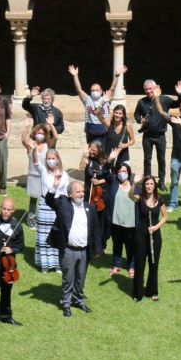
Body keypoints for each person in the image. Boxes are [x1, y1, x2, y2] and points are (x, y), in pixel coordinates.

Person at [44, 178, 98, 317]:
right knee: (68, 278)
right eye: (77, 192)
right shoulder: (63, 204)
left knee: (81, 278)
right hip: (69, 250)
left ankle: (78, 301)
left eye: (82, 191)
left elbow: (95, 230)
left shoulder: (90, 207)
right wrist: (54, 187)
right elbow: (49, 200)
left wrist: (98, 248)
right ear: (70, 194)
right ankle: (66, 303)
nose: (81, 194)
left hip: (84, 251)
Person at [0, 186, 25, 329]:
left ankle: (7, 316)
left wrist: (11, 249)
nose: (6, 212)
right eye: (4, 209)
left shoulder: (17, 226)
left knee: (7, 292)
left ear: (13, 211)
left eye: (9, 209)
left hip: (9, 265)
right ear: (0, 208)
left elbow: (21, 246)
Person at [29, 136, 68, 274]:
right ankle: (45, 264)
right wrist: (34, 150)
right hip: (45, 205)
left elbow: (66, 192)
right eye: (48, 158)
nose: (51, 160)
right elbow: (35, 161)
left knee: (57, 233)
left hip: (58, 207)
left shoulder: (64, 174)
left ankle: (58, 264)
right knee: (44, 234)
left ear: (58, 159)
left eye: (53, 157)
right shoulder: (43, 171)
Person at [134, 79, 178, 189]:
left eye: (150, 89)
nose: (148, 91)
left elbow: (178, 103)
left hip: (160, 135)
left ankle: (161, 181)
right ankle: (147, 180)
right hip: (147, 135)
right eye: (146, 89)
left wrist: (180, 94)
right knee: (147, 159)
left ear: (156, 88)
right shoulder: (141, 102)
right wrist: (140, 120)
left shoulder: (165, 99)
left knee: (161, 159)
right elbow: (136, 115)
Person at [131, 175, 168, 302]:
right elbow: (130, 195)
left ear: (154, 185)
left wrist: (155, 227)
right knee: (140, 264)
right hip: (141, 236)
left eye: (151, 184)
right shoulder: (139, 198)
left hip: (155, 236)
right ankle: (138, 293)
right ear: (144, 186)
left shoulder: (159, 199)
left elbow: (165, 216)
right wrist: (135, 183)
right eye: (147, 184)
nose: (149, 186)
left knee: (153, 264)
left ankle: (152, 291)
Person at [69, 63, 125, 147]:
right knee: (92, 154)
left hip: (104, 132)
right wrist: (75, 76)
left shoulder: (106, 98)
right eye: (93, 90)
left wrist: (117, 76)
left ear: (101, 91)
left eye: (97, 90)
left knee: (103, 155)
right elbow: (79, 90)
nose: (95, 92)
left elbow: (112, 88)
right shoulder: (88, 99)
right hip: (91, 133)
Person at [80, 142, 115, 255]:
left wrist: (99, 181)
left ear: (99, 150)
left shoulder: (104, 160)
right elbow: (81, 167)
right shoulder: (88, 159)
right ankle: (90, 244)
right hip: (89, 194)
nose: (92, 151)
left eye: (94, 150)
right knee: (89, 219)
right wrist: (84, 155)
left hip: (102, 195)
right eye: (90, 149)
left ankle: (101, 245)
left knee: (102, 220)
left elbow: (110, 177)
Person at [110, 162, 137, 278]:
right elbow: (106, 172)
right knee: (117, 245)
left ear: (129, 173)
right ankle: (116, 265)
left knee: (131, 246)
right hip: (116, 222)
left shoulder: (134, 186)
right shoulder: (114, 184)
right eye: (120, 171)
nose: (122, 173)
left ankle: (132, 266)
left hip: (131, 223)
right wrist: (110, 159)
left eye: (125, 171)